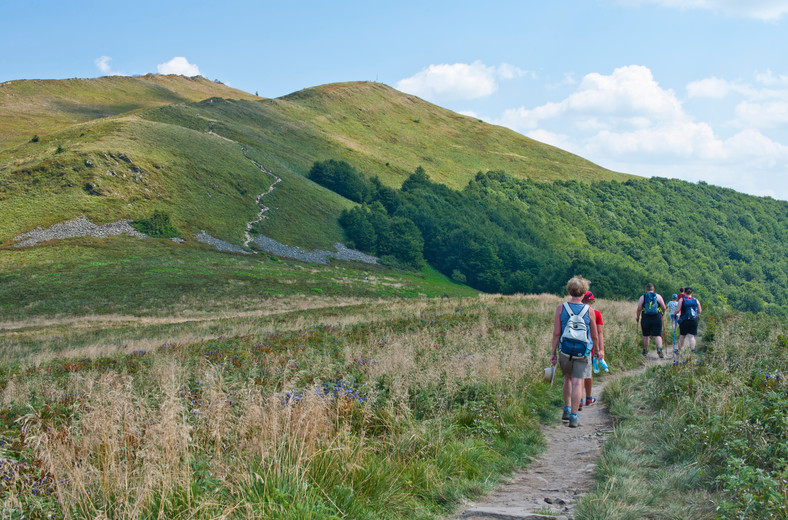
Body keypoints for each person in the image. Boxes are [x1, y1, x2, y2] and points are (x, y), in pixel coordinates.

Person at [551, 277, 599, 428]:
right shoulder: (589, 310)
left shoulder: (561, 308)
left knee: (567, 379)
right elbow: (595, 334)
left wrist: (553, 353)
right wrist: (597, 350)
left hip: (565, 350)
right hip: (582, 351)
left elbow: (556, 333)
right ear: (584, 292)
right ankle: (573, 416)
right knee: (578, 381)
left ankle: (566, 409)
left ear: (569, 290)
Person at [581, 291, 603, 408]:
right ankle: (588, 397)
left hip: (573, 347)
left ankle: (578, 399)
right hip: (589, 347)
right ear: (592, 301)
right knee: (587, 372)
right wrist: (600, 349)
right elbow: (598, 333)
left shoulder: (573, 311)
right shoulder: (595, 313)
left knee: (577, 373)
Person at [636, 283, 667, 358]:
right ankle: (659, 349)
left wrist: (637, 317)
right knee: (657, 335)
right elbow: (663, 307)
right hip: (657, 317)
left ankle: (645, 351)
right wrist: (662, 313)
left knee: (645, 335)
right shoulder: (658, 296)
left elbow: (639, 308)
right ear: (653, 289)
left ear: (646, 289)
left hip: (646, 317)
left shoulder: (643, 297)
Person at [675, 287, 702, 355]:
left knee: (682, 336)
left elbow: (678, 310)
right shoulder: (696, 300)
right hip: (694, 320)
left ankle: (679, 350)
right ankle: (692, 350)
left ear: (684, 292)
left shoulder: (682, 300)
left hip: (684, 320)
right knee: (691, 336)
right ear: (692, 293)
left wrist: (674, 313)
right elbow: (700, 311)